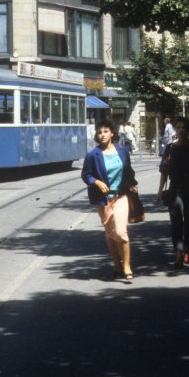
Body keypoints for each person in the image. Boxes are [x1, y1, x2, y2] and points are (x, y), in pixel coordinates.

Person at [81, 118, 138, 280]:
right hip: (103, 199)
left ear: (112, 133)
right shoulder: (93, 155)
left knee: (120, 231)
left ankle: (126, 265)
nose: (103, 134)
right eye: (100, 132)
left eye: (106, 131)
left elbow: (128, 170)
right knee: (110, 232)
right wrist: (97, 182)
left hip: (121, 195)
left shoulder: (122, 151)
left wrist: (133, 183)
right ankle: (116, 263)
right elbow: (86, 175)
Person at [157, 116, 189, 268]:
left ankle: (187, 249)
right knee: (176, 222)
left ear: (188, 129)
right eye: (178, 127)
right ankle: (178, 252)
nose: (181, 130)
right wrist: (160, 190)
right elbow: (164, 171)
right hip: (175, 188)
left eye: (183, 127)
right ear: (175, 129)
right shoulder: (171, 148)